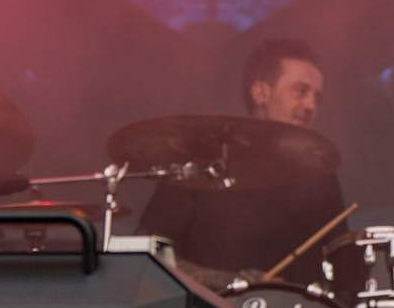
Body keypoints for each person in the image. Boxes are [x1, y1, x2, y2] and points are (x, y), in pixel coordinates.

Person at [135, 39, 348, 288]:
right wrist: (233, 283)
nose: (311, 105)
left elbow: (346, 266)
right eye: (300, 91)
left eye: (317, 98)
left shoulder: (319, 173)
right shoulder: (201, 163)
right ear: (260, 93)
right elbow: (147, 256)